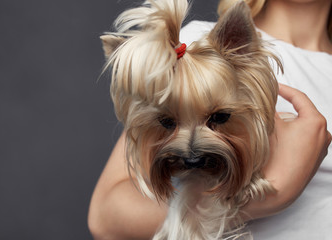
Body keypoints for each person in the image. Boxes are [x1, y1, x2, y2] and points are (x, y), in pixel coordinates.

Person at [88, 0, 332, 239]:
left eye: (219, 117)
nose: (192, 153)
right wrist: (271, 196)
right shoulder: (198, 46)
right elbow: (106, 218)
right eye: (169, 124)